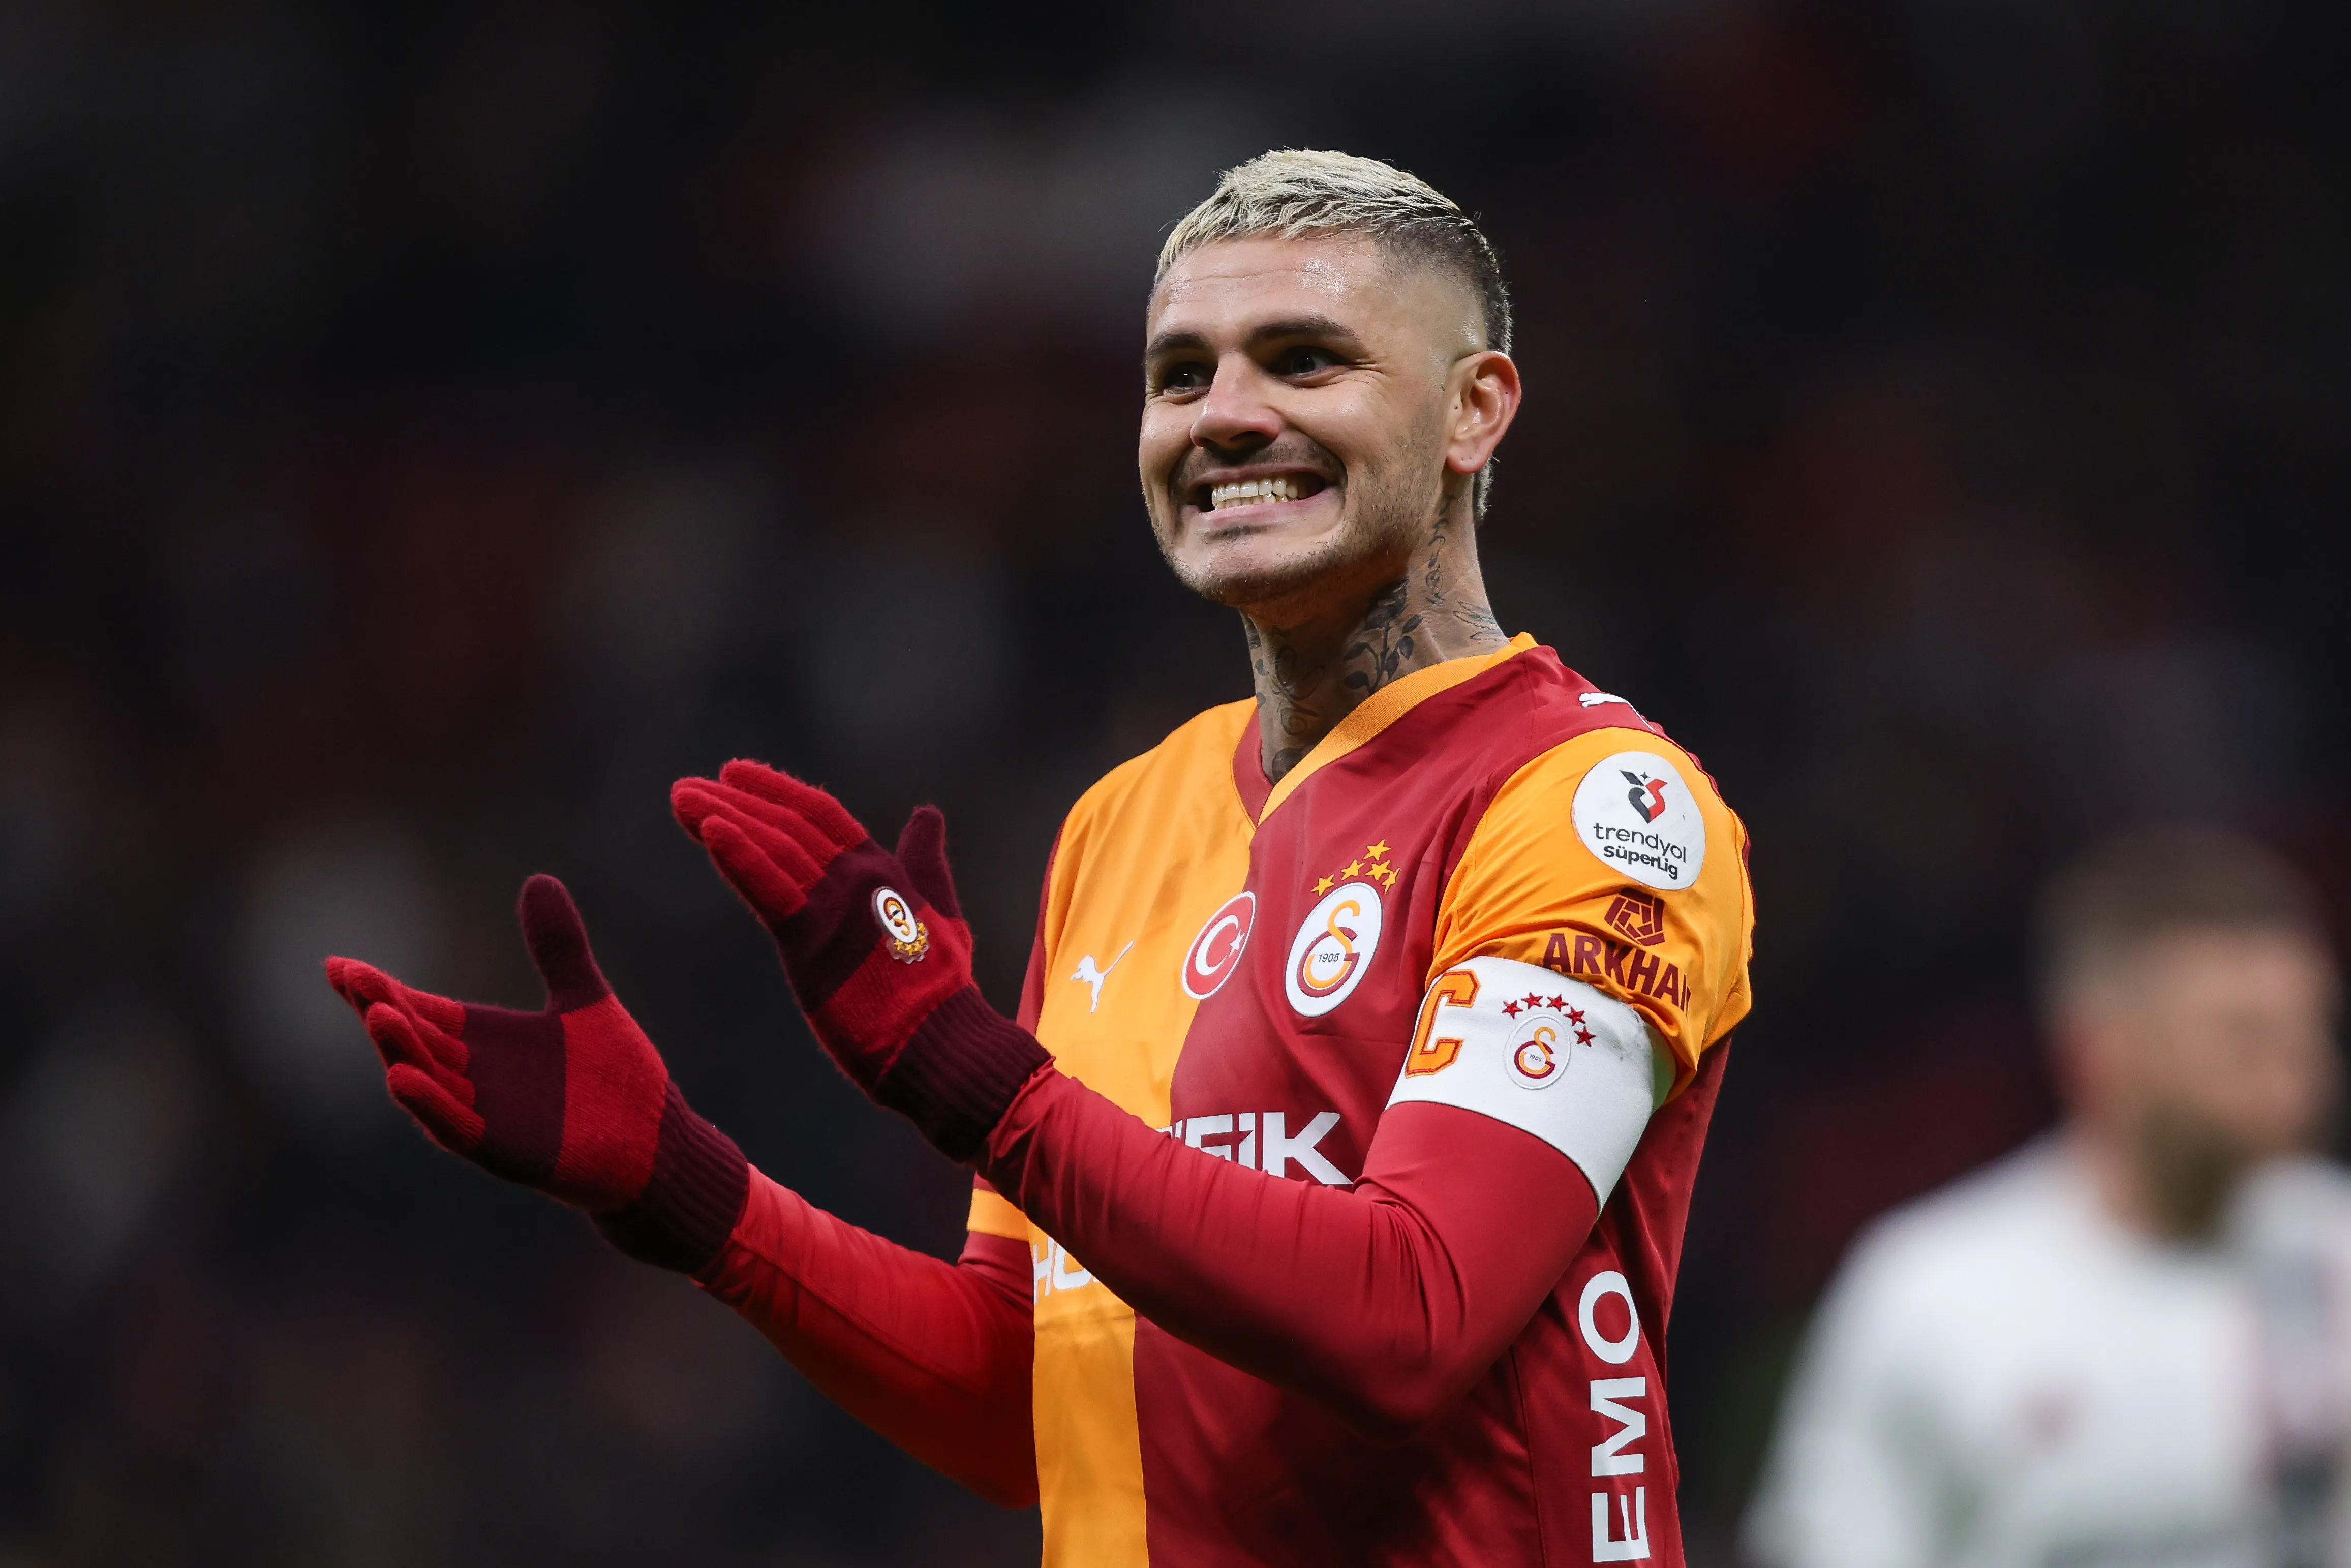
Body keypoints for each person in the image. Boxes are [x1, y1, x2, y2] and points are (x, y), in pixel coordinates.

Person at [326, 150, 1755, 1566]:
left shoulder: (1591, 806)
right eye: (1180, 375)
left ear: (1472, 411)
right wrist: (688, 1190)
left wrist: (966, 1073)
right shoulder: (1121, 824)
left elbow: (1412, 1318)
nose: (1228, 417)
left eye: (1305, 361)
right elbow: (1033, 1400)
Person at [1746, 826, 2349, 1568]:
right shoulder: (1930, 1294)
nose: (2296, 1084)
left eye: (2306, 1035)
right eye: (2242, 1042)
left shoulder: (2335, 1250)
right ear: (2097, 1052)